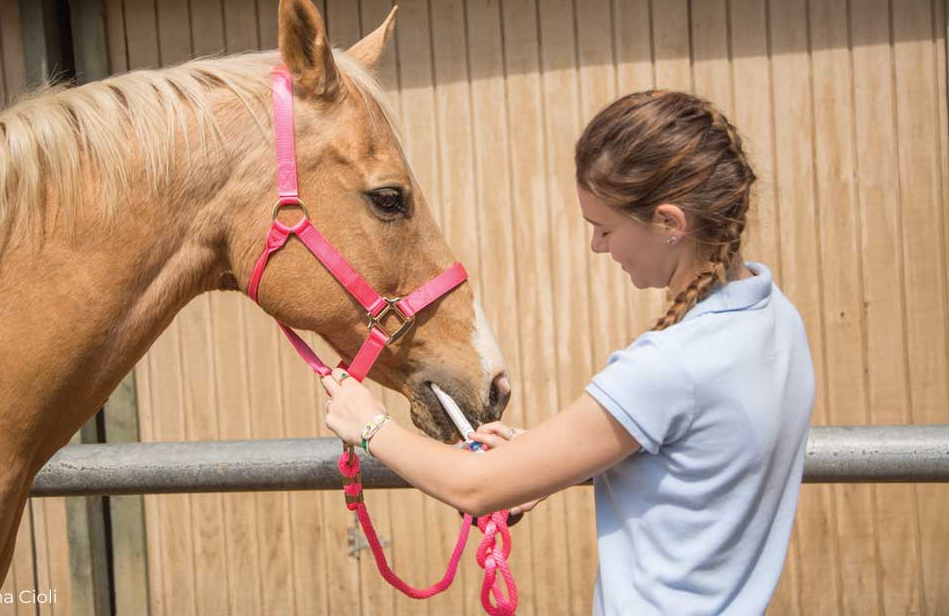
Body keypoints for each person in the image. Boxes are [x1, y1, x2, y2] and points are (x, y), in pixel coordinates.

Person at [320, 90, 815, 616]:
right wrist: (547, 456)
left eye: (604, 228)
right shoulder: (776, 320)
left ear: (670, 224)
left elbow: (476, 487)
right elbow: (701, 457)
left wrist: (371, 425)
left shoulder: (670, 366)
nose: (598, 247)